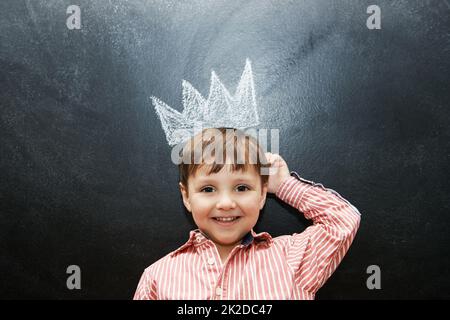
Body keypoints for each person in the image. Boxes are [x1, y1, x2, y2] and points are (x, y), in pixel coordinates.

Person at [134, 127, 361, 300]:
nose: (225, 203)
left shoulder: (292, 259)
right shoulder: (158, 277)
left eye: (242, 188)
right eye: (208, 189)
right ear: (186, 197)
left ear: (262, 195)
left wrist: (283, 185)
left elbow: (342, 219)